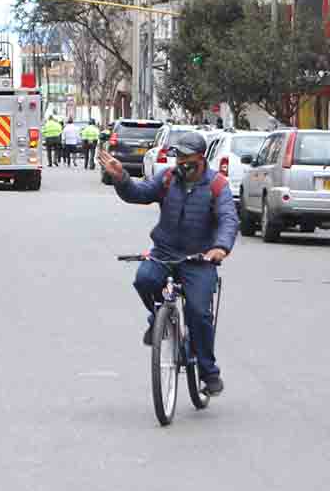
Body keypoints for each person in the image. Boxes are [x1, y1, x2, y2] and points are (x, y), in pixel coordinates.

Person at [100, 130, 236, 397]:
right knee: (144, 279)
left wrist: (220, 247)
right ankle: (159, 318)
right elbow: (139, 193)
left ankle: (209, 372)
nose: (182, 162)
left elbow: (228, 218)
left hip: (199, 258)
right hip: (164, 251)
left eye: (188, 157)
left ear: (201, 157)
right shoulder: (167, 179)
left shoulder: (217, 185)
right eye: (179, 157)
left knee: (199, 313)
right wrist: (121, 178)